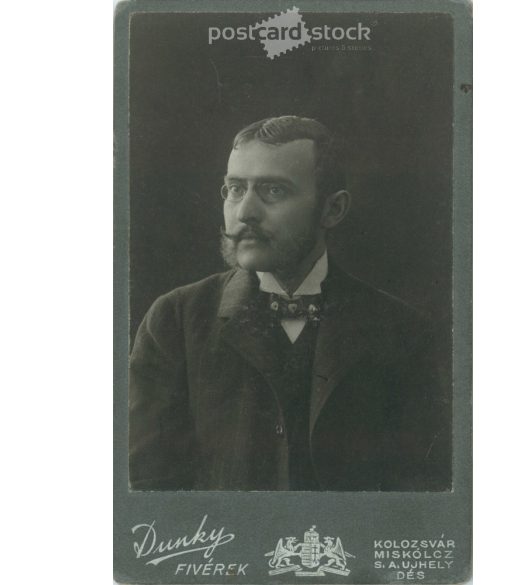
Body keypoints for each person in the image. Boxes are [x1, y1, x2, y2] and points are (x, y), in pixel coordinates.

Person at [129, 115, 451, 491]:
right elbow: (148, 491)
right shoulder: (174, 321)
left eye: (273, 191)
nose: (245, 211)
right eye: (235, 189)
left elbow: (421, 493)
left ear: (333, 210)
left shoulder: (402, 332)